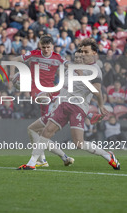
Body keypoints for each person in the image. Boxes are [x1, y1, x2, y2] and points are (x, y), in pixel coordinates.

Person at [17, 39, 120, 171]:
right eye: (80, 52)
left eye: (85, 52)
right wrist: (48, 92)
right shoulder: (71, 69)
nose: (82, 55)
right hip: (63, 105)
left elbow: (96, 90)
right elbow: (63, 87)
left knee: (79, 143)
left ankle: (108, 155)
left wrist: (99, 104)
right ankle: (32, 163)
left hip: (78, 107)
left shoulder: (95, 70)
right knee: (46, 131)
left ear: (93, 53)